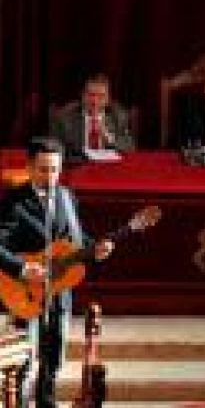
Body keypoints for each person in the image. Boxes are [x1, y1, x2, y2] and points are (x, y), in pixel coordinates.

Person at [0, 137, 114, 407]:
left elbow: (75, 241)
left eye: (55, 169)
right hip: (26, 293)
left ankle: (47, 403)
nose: (50, 176)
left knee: (53, 358)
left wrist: (95, 249)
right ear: (30, 168)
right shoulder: (14, 202)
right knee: (24, 361)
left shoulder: (67, 196)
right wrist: (22, 268)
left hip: (59, 292)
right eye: (43, 169)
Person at [50, 73, 135, 160]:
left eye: (101, 96)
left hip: (107, 164)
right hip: (78, 164)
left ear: (107, 99)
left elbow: (130, 147)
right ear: (83, 96)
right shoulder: (65, 116)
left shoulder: (118, 115)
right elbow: (54, 145)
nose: (95, 101)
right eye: (91, 95)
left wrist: (109, 138)